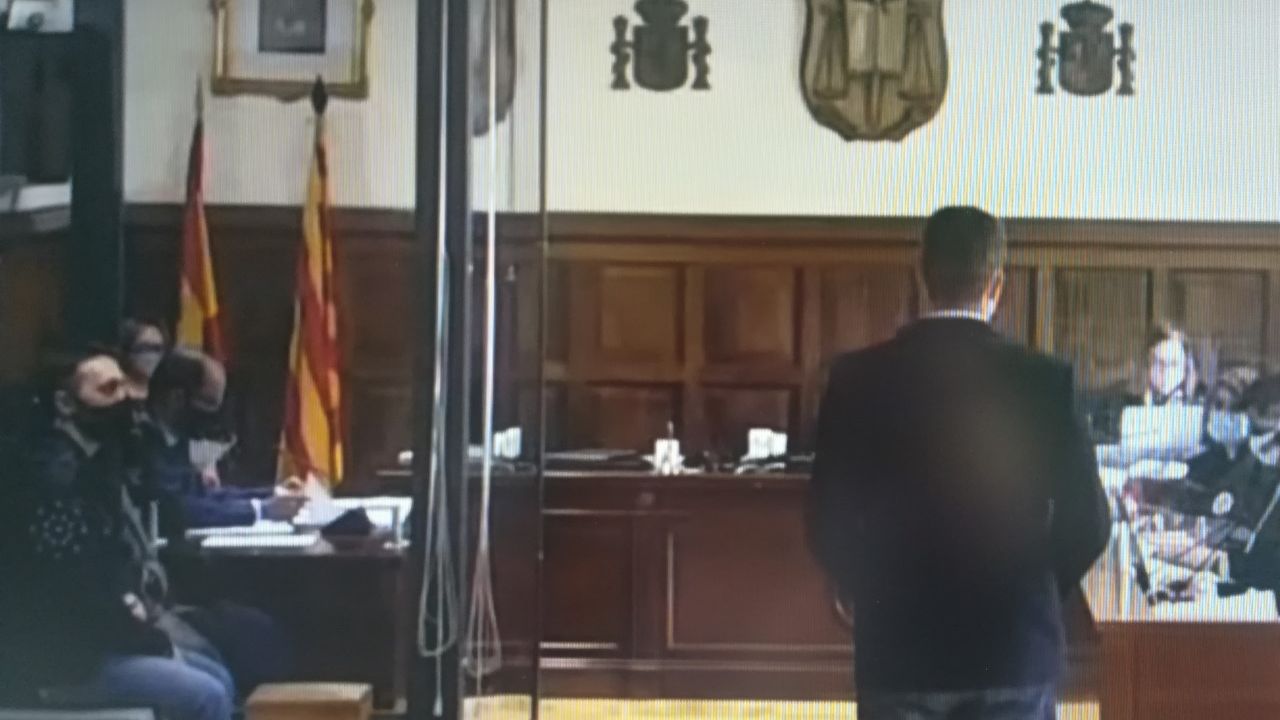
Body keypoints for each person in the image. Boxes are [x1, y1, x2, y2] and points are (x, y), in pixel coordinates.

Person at [807, 206, 1111, 720]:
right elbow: (1090, 522)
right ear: (997, 284)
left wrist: (873, 589)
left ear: (920, 276)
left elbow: (825, 520)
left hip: (898, 650)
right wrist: (1034, 585)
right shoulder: (1045, 381)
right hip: (1012, 647)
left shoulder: (857, 379)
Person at [0, 351, 233, 720]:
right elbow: (71, 588)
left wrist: (133, 607)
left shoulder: (95, 465)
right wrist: (144, 634)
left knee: (215, 670)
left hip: (103, 634)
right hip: (61, 660)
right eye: (108, 390)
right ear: (65, 404)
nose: (124, 400)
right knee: (208, 694)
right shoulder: (50, 478)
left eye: (125, 386)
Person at [140, 347, 305, 531]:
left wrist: (273, 495)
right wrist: (261, 510)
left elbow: (205, 496)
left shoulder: (175, 438)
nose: (214, 416)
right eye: (208, 403)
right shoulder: (140, 443)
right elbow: (179, 511)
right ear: (176, 398)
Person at [120, 319, 170, 403]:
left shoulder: (168, 399)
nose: (152, 356)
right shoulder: (113, 396)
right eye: (145, 347)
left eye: (157, 348)